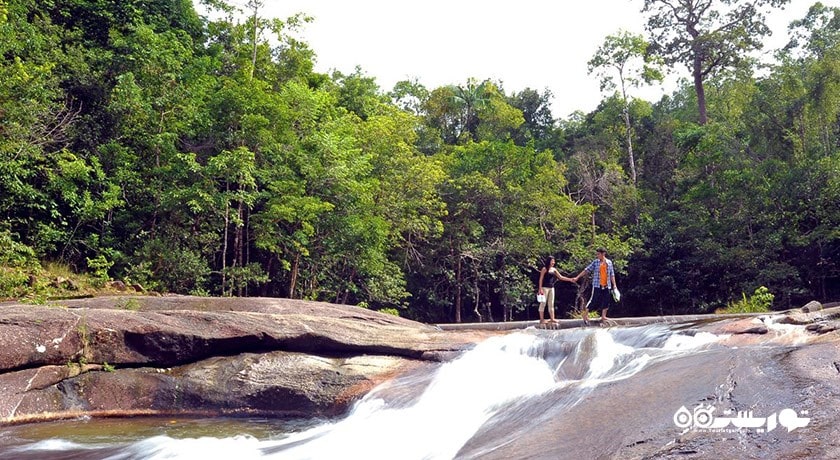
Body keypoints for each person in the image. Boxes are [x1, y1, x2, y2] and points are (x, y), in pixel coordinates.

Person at [573, 247, 618, 326]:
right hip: (597, 284)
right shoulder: (595, 262)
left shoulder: (609, 262)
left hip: (607, 285)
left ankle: (603, 316)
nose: (597, 255)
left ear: (603, 254)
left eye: (598, 254)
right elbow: (587, 270)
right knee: (593, 300)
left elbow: (612, 274)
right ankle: (585, 315)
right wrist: (577, 277)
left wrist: (614, 285)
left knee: (606, 300)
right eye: (597, 254)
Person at [537, 256, 575, 324]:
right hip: (544, 288)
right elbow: (541, 279)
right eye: (552, 261)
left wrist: (570, 279)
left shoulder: (554, 269)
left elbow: (561, 277)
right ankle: (541, 319)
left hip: (551, 288)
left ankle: (552, 318)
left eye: (554, 261)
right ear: (549, 261)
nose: (553, 262)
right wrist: (540, 289)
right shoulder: (544, 269)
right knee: (543, 303)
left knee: (551, 303)